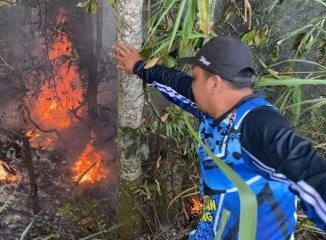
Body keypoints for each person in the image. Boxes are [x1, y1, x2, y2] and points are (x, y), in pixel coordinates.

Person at [111, 36, 326, 240]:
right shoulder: (216, 108)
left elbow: (313, 176)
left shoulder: (258, 125)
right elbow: (177, 83)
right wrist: (139, 66)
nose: (192, 84)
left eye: (196, 77)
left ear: (214, 84)